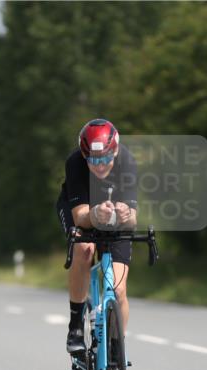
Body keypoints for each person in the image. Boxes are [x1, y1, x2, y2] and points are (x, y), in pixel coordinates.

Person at [56, 118, 137, 354]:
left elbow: (133, 219)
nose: (100, 166)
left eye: (105, 159)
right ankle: (75, 327)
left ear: (116, 151)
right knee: (85, 249)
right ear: (84, 155)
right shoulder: (75, 163)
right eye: (93, 160)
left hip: (115, 217)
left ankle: (116, 350)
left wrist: (125, 213)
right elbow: (80, 216)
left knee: (119, 290)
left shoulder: (127, 161)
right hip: (82, 211)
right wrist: (95, 214)